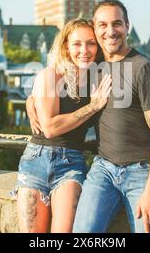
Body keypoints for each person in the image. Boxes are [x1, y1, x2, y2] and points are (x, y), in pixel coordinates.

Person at [28, 0, 150, 233]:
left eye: (117, 23)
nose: (110, 31)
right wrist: (32, 100)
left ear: (127, 26)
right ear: (95, 30)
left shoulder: (145, 68)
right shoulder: (92, 66)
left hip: (141, 171)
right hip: (103, 169)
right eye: (102, 25)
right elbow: (54, 82)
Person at [12, 18, 112, 233]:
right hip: (35, 161)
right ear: (66, 45)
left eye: (91, 43)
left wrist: (33, 100)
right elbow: (50, 128)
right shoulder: (51, 75)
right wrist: (93, 106)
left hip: (71, 163)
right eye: (77, 43)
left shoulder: (99, 79)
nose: (84, 50)